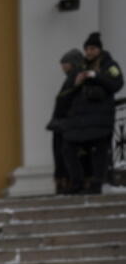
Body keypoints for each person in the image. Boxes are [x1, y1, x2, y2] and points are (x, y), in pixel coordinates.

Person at [61, 32, 123, 194]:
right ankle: (77, 183)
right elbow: (67, 91)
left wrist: (96, 76)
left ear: (99, 49)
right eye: (87, 48)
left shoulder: (109, 65)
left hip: (101, 118)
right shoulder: (80, 67)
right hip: (81, 119)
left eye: (93, 48)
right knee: (67, 147)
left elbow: (116, 83)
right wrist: (76, 83)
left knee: (100, 151)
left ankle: (96, 184)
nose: (89, 52)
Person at [48, 49, 85, 194]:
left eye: (65, 63)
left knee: (64, 154)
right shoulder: (71, 78)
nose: (63, 67)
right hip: (63, 124)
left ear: (73, 63)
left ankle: (67, 182)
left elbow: (67, 100)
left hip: (66, 125)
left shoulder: (75, 78)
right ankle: (66, 181)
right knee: (62, 154)